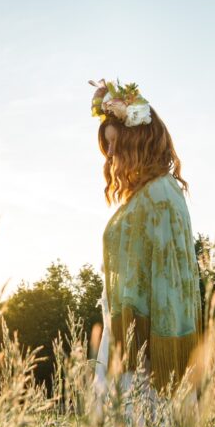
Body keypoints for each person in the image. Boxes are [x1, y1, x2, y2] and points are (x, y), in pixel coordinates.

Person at [88, 78, 202, 407]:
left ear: (139, 140)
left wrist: (161, 360)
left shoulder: (163, 195)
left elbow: (171, 285)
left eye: (115, 144)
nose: (110, 156)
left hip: (149, 358)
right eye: (106, 146)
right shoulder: (142, 196)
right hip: (123, 341)